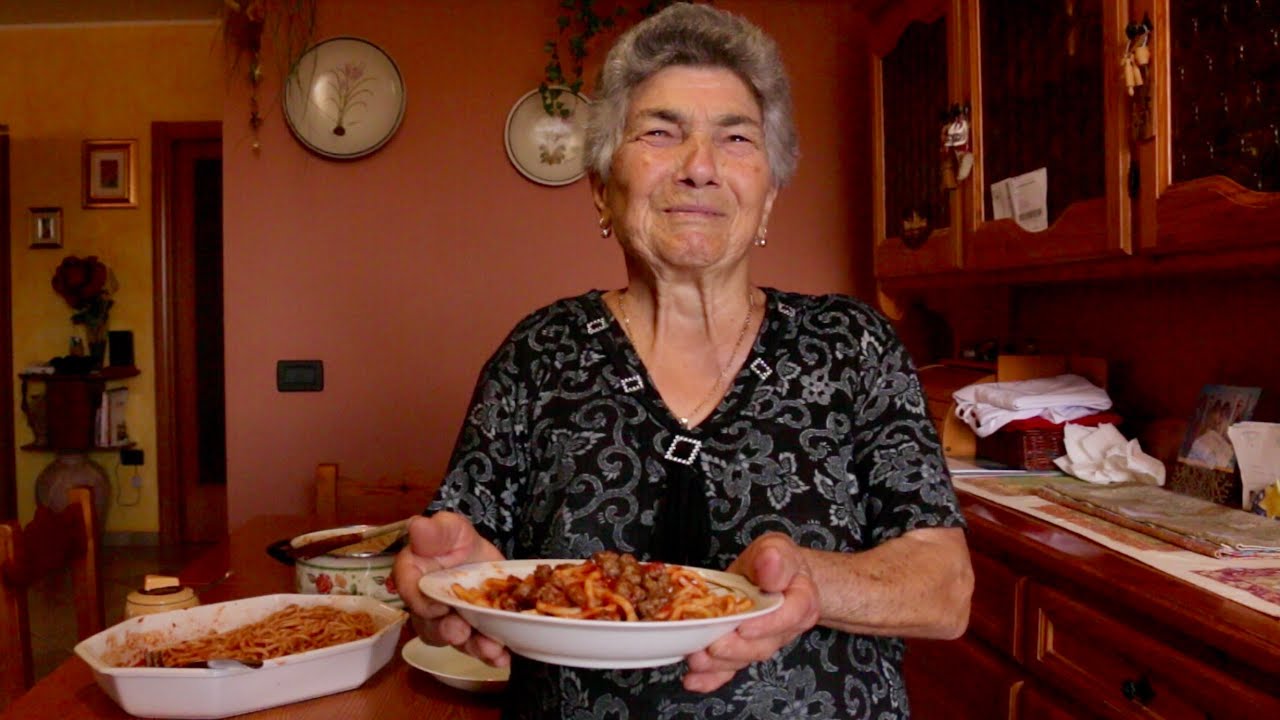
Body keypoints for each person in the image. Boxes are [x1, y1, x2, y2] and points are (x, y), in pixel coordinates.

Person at [394, 3, 973, 718]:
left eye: (735, 139)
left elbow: (946, 587)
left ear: (766, 200)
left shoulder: (851, 346)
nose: (700, 167)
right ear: (603, 188)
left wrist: (813, 581)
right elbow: (463, 559)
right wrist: (449, 585)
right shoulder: (538, 355)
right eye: (661, 133)